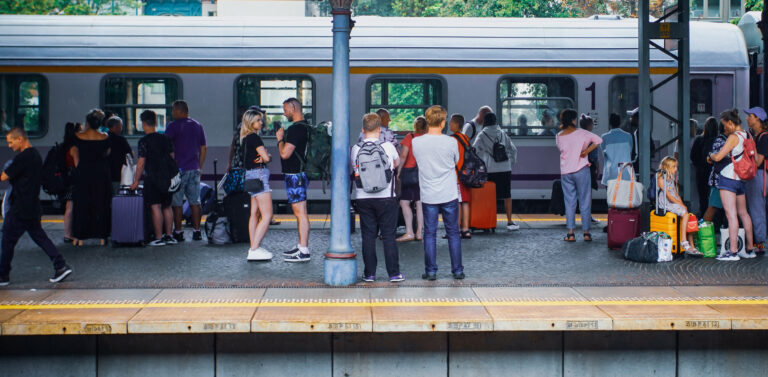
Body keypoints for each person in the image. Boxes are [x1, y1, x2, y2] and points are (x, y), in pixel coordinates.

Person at [0, 127, 72, 285]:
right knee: (40, 237)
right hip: (32, 205)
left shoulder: (23, 157)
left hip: (20, 207)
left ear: (20, 139)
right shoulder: (36, 155)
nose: (9, 146)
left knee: (7, 239)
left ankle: (3, 275)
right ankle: (60, 265)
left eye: (11, 142)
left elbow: (4, 176)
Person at [412, 105, 464, 280]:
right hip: (449, 193)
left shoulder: (416, 142)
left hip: (428, 194)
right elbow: (456, 161)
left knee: (430, 233)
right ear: (443, 123)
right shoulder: (451, 142)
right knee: (453, 232)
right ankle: (457, 270)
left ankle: (431, 271)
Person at [353, 113, 403, 282]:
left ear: (362, 129)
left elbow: (354, 169)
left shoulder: (356, 149)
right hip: (386, 196)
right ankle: (394, 274)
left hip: (363, 197)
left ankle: (370, 274)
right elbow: (396, 165)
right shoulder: (388, 146)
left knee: (368, 236)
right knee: (389, 235)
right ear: (380, 129)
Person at [708, 109, 756, 260]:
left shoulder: (734, 137)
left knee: (731, 215)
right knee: (744, 213)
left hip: (729, 178)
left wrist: (710, 155)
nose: (724, 129)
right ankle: (749, 250)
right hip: (741, 179)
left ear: (730, 122)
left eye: (725, 125)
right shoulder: (748, 135)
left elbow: (719, 156)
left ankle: (733, 251)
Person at [130, 110, 177, 247]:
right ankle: (169, 236)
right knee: (167, 206)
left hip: (153, 177)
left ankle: (158, 237)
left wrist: (136, 180)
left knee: (156, 206)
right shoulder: (166, 139)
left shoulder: (144, 141)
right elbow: (172, 157)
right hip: (167, 177)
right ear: (155, 122)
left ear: (143, 123)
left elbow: (141, 163)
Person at [556, 109, 601, 242]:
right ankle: (586, 233)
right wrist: (585, 151)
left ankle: (570, 234)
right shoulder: (583, 133)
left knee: (569, 202)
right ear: (573, 120)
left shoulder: (558, 136)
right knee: (584, 201)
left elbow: (562, 149)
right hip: (581, 170)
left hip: (566, 172)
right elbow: (599, 140)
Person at [165, 100, 207, 242]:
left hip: (178, 170)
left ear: (179, 111)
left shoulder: (172, 126)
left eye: (173, 110)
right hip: (194, 168)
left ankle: (178, 231)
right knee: (195, 201)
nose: (172, 113)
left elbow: (167, 147)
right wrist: (199, 166)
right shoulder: (197, 125)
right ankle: (196, 231)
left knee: (177, 203)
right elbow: (203, 148)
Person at [276, 97, 311, 262]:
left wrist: (280, 139)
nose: (284, 113)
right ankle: (300, 245)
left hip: (294, 175)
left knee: (300, 213)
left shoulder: (296, 129)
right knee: (300, 212)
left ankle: (303, 250)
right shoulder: (306, 127)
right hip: (300, 174)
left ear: (293, 107)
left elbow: (285, 154)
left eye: (285, 109)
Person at [71, 109, 111, 246]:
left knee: (81, 204)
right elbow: (107, 153)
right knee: (100, 203)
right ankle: (102, 236)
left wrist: (79, 167)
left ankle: (79, 236)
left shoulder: (77, 136)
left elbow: (74, 154)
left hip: (83, 173)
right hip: (100, 174)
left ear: (87, 122)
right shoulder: (105, 136)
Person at [473, 112, 519, 231]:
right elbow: (513, 149)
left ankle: (489, 223)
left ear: (485, 122)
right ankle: (509, 221)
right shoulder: (502, 133)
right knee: (507, 195)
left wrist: (481, 162)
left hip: (490, 169)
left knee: (490, 196)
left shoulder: (482, 134)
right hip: (505, 168)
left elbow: (475, 150)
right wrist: (510, 162)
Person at [240, 109, 274, 261]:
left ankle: (253, 246)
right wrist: (268, 156)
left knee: (254, 213)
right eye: (258, 120)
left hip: (250, 175)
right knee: (267, 215)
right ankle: (254, 249)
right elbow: (266, 158)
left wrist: (263, 157)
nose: (261, 122)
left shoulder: (245, 139)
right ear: (250, 122)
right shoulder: (255, 138)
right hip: (259, 175)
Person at [656, 157, 702, 256]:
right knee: (685, 214)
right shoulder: (660, 178)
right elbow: (668, 195)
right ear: (667, 167)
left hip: (673, 203)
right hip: (666, 204)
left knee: (689, 215)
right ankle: (683, 241)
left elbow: (676, 194)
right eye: (674, 167)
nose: (676, 169)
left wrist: (683, 205)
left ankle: (692, 245)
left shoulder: (671, 178)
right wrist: (681, 205)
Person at [396, 116, 426, 242]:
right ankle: (419, 232)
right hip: (423, 174)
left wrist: (398, 171)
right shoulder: (427, 139)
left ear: (415, 126)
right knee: (420, 203)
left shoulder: (410, 137)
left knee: (404, 202)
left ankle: (409, 232)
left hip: (409, 174)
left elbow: (403, 156)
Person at [744, 107, 768, 254]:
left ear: (758, 118)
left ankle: (759, 245)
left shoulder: (763, 137)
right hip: (759, 176)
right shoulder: (758, 136)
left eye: (750, 116)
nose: (747, 118)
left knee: (756, 209)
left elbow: (758, 161)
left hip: (759, 176)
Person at [690, 117, 719, 217]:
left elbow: (693, 156)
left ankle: (704, 218)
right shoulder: (718, 140)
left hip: (701, 172)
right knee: (715, 198)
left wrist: (700, 164)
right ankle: (716, 221)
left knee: (703, 197)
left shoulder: (699, 140)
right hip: (715, 172)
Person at [449, 113, 472, 239]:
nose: (449, 124)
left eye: (451, 122)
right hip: (466, 175)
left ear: (456, 124)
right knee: (465, 202)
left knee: (456, 203)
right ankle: (466, 229)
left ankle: (456, 229)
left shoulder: (452, 139)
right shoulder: (465, 138)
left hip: (456, 176)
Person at [600, 113, 634, 186]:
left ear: (610, 123)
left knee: (611, 196)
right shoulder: (628, 136)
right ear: (620, 123)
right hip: (626, 172)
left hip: (610, 173)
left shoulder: (604, 137)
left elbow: (604, 155)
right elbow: (630, 152)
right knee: (625, 196)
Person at [61, 122, 80, 243]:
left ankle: (68, 233)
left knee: (69, 206)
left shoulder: (65, 146)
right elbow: (78, 165)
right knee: (71, 206)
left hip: (67, 179)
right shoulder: (74, 148)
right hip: (74, 179)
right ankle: (68, 234)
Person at [106, 116, 134, 195]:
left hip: (105, 173)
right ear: (117, 127)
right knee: (115, 196)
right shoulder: (121, 140)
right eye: (121, 126)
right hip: (118, 173)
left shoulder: (103, 138)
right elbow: (131, 154)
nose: (121, 128)